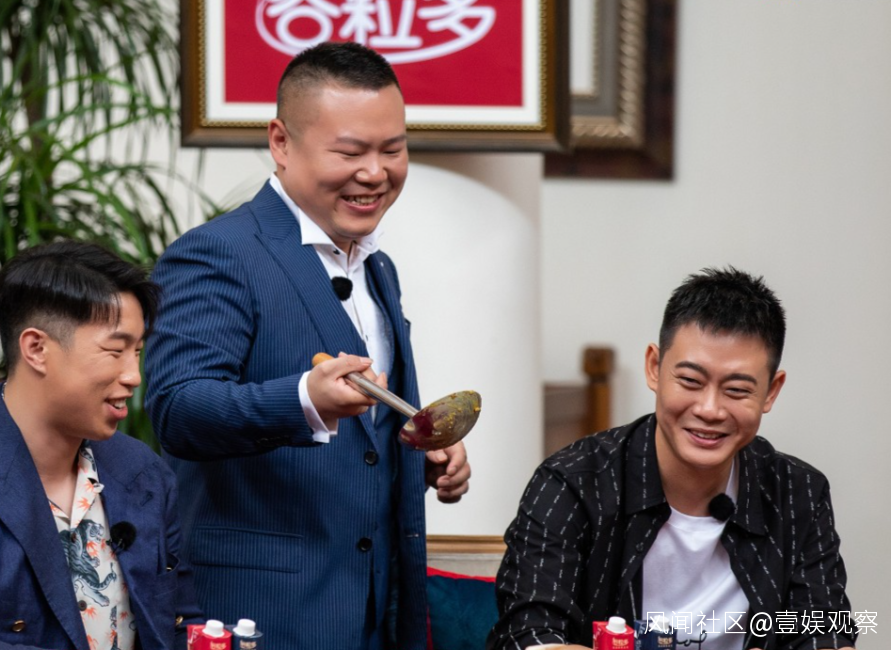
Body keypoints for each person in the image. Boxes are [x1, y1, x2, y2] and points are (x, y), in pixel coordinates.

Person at [144, 41, 470, 650]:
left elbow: (363, 443)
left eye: (393, 149)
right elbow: (177, 409)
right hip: (261, 614)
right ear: (281, 142)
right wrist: (303, 401)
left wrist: (418, 459)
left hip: (375, 613)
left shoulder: (379, 268)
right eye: (349, 152)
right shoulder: (217, 253)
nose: (375, 173)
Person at [490, 267, 857, 650]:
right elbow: (530, 636)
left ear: (771, 391)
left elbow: (825, 632)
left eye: (736, 390)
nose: (710, 409)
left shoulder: (798, 492)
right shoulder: (572, 484)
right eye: (691, 381)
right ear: (655, 367)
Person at [0, 241, 203, 650]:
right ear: (37, 349)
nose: (134, 376)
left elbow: (184, 626)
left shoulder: (142, 472)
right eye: (115, 351)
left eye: (137, 352)